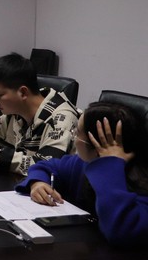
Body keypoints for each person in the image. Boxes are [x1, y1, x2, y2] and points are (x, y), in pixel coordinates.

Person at [15, 102, 148, 246]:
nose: (73, 137)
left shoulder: (141, 183)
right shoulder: (82, 163)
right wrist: (38, 182)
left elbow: (121, 230)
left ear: (96, 144)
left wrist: (110, 165)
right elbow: (46, 166)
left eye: (77, 133)